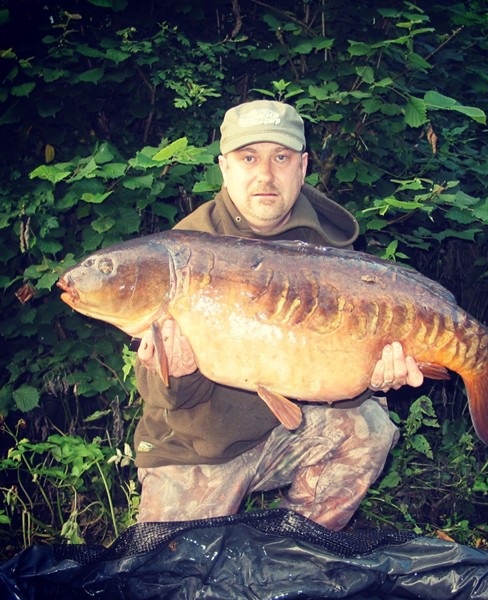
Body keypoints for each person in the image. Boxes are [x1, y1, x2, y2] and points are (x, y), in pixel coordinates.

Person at [134, 100, 424, 531]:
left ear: (303, 167)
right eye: (248, 158)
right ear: (224, 167)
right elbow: (163, 400)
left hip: (287, 430)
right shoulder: (183, 253)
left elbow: (331, 378)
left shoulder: (328, 251)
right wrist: (179, 373)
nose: (265, 175)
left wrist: (373, 377)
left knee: (370, 427)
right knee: (173, 566)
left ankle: (298, 544)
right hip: (198, 446)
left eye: (281, 158)